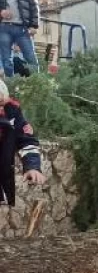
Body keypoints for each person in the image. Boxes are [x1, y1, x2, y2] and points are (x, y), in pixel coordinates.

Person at [1, 78, 45, 206]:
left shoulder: (12, 111)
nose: (2, 110)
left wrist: (33, 166)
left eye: (3, 104)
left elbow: (27, 140)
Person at [0, 0, 40, 78]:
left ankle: (37, 85)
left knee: (31, 59)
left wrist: (34, 26)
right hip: (3, 28)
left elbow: (34, 7)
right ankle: (10, 87)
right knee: (6, 61)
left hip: (22, 29)